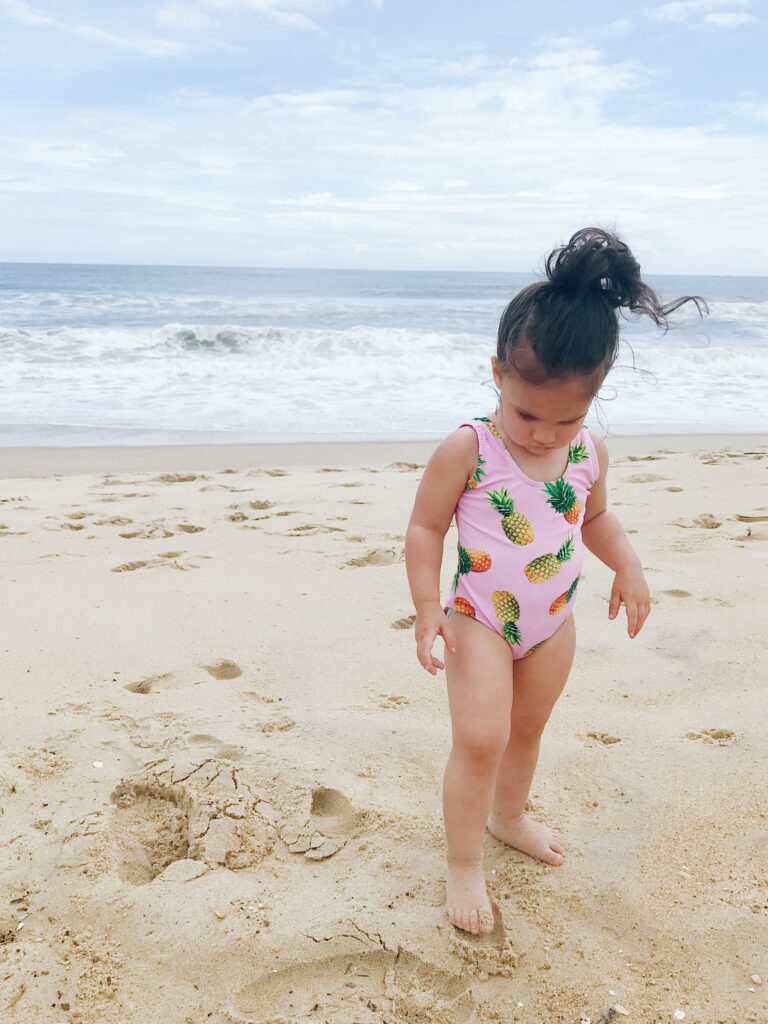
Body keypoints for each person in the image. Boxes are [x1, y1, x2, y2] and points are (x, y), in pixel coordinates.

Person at [404, 227, 706, 936]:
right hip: (479, 616)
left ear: (593, 400)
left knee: (529, 731)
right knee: (481, 738)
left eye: (566, 419)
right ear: (497, 375)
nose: (543, 434)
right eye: (527, 414)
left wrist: (627, 565)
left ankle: (509, 817)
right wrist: (426, 609)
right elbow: (424, 529)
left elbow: (594, 519)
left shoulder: (587, 453)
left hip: (552, 625)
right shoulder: (470, 449)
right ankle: (463, 862)